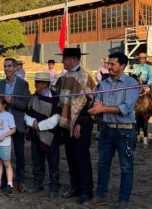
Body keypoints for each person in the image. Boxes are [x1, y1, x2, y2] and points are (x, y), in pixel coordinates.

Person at [87, 52, 139, 209]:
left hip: (125, 132)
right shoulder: (103, 84)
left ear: (122, 66)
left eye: (112, 64)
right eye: (108, 64)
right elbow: (98, 102)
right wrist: (95, 107)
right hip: (106, 130)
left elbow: (126, 108)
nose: (108, 66)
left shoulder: (132, 83)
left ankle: (123, 201)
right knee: (102, 164)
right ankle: (100, 196)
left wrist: (103, 108)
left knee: (126, 167)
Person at [55, 48, 96, 205]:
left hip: (81, 124)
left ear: (72, 59)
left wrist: (78, 122)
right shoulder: (64, 76)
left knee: (82, 157)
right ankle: (75, 187)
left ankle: (87, 191)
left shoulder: (84, 76)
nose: (62, 62)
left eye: (64, 59)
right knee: (71, 157)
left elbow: (90, 101)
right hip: (66, 124)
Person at [23, 72, 62, 198]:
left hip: (51, 136)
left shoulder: (56, 98)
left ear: (46, 84)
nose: (36, 85)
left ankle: (54, 186)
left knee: (53, 162)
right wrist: (32, 122)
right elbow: (26, 114)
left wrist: (40, 125)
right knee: (36, 161)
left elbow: (56, 117)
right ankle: (37, 184)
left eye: (39, 82)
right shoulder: (33, 98)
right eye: (35, 82)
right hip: (36, 135)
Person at [0, 57, 30, 192]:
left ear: (16, 68)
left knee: (19, 154)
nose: (7, 69)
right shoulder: (0, 84)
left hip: (17, 124)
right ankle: (4, 180)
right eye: (5, 66)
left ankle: (20, 181)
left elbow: (25, 105)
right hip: (3, 126)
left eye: (9, 66)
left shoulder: (23, 84)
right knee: (4, 153)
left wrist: (12, 101)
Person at [131, 52, 152, 117]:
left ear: (145, 59)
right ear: (139, 59)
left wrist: (147, 85)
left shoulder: (149, 67)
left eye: (143, 58)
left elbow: (151, 76)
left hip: (146, 83)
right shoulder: (136, 67)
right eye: (140, 59)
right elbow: (133, 74)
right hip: (137, 84)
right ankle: (129, 108)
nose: (142, 60)